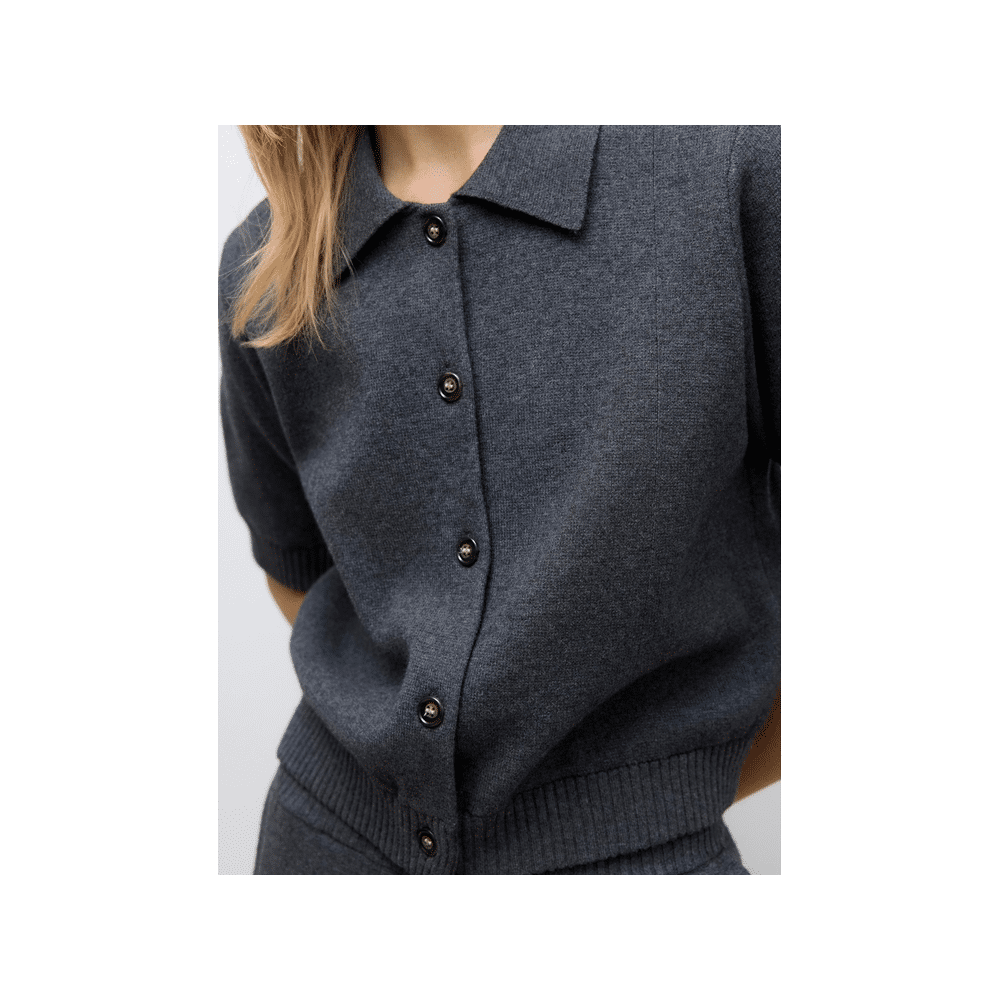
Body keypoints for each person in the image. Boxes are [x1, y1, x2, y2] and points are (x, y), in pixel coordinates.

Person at [219, 125, 780, 875]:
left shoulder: (726, 168)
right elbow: (300, 571)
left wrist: (653, 804)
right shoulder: (269, 263)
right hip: (320, 848)